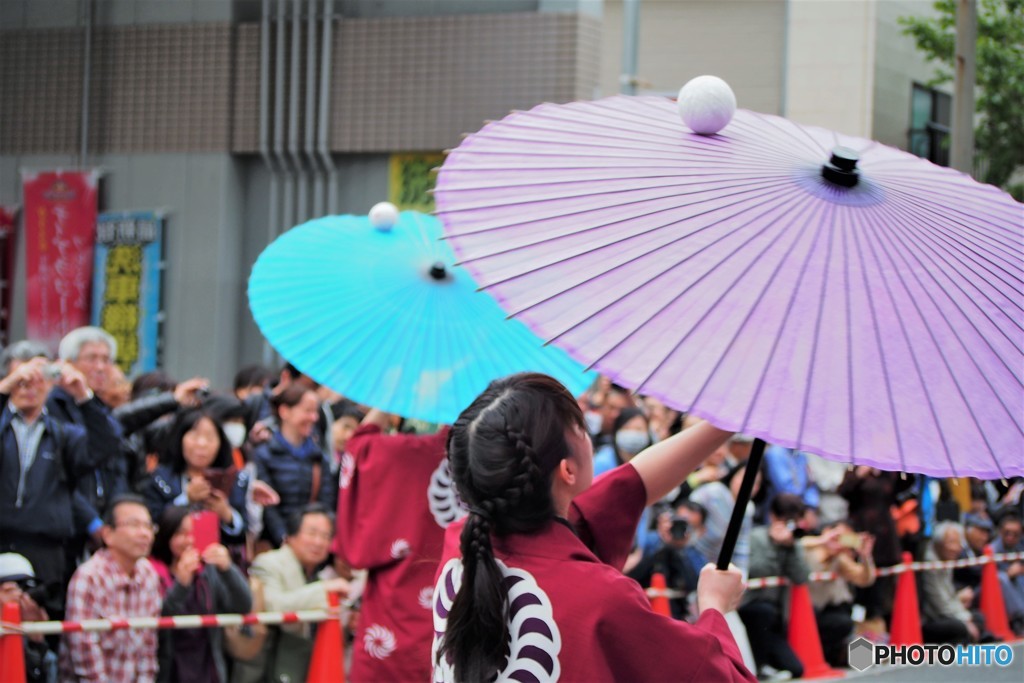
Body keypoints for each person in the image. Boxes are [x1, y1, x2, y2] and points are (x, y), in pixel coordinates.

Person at [432, 373, 753, 682]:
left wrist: (728, 420)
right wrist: (715, 607)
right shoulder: (602, 600)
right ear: (567, 470)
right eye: (579, 426)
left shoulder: (460, 548)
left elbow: (628, 486)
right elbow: (710, 674)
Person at [332, 408, 454, 682]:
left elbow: (360, 448)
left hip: (397, 606)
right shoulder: (498, 457)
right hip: (467, 610)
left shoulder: (406, 455)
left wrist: (389, 398)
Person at [0, 353, 99, 616]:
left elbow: (105, 447)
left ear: (50, 385)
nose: (29, 388)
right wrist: (3, 389)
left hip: (47, 547)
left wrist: (84, 397)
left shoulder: (64, 434)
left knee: (43, 624)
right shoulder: (3, 426)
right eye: (22, 380)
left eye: (38, 380)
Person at [60, 494, 162, 683]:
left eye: (148, 526)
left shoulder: (149, 574)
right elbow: (84, 651)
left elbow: (148, 647)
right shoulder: (89, 576)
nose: (145, 533)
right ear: (107, 534)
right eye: (134, 525)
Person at [248, 504, 351, 683]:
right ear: (291, 536)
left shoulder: (318, 573)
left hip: (307, 663)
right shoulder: (269, 562)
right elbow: (275, 608)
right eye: (312, 533)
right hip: (269, 665)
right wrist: (324, 589)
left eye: (325, 536)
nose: (319, 542)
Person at [150, 506, 252, 683]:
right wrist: (181, 585)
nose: (188, 540)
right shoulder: (153, 572)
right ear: (167, 535)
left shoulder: (208, 573)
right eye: (180, 533)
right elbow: (160, 621)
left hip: (208, 669)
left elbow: (243, 605)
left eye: (193, 532)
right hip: (172, 670)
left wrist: (228, 569)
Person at [141, 409, 249, 547]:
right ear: (180, 438)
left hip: (216, 559)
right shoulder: (160, 478)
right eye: (194, 436)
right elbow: (154, 523)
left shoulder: (234, 480)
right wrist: (186, 499)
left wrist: (226, 513)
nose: (202, 444)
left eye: (210, 438)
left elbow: (244, 532)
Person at [738, 493, 811, 680]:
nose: (789, 525)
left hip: (777, 617)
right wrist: (774, 545)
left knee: (796, 669)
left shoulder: (792, 542)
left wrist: (790, 547)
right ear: (772, 516)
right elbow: (754, 570)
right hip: (750, 607)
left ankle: (768, 663)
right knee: (764, 612)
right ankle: (760, 666)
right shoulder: (756, 537)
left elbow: (802, 576)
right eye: (785, 519)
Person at [253, 385, 336, 547]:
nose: (313, 418)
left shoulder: (319, 457)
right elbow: (267, 508)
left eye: (315, 412)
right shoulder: (263, 454)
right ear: (285, 411)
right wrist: (285, 539)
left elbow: (326, 503)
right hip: (274, 546)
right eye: (307, 411)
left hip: (310, 546)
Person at [803, 521, 876, 667]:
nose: (839, 541)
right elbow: (799, 543)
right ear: (826, 531)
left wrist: (865, 557)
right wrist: (822, 541)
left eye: (845, 538)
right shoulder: (808, 550)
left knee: (842, 621)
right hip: (799, 613)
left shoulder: (839, 558)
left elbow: (864, 579)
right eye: (837, 536)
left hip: (821, 612)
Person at [920, 521, 982, 645]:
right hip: (930, 618)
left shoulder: (947, 560)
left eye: (958, 543)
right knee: (960, 627)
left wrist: (966, 616)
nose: (955, 548)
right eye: (951, 542)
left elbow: (950, 596)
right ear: (939, 543)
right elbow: (940, 604)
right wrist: (965, 619)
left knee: (978, 618)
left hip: (946, 612)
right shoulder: (931, 564)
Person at [0, 553, 55, 682]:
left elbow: (41, 676)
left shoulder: (31, 630)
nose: (22, 596)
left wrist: (36, 642)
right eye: (12, 589)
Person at [991, 512, 1024, 633]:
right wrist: (1008, 573)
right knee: (1003, 578)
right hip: (995, 591)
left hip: (1016, 589)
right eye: (1007, 533)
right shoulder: (992, 549)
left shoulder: (1019, 548)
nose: (1010, 537)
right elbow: (986, 577)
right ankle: (1020, 620)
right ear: (1000, 532)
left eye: (1015, 534)